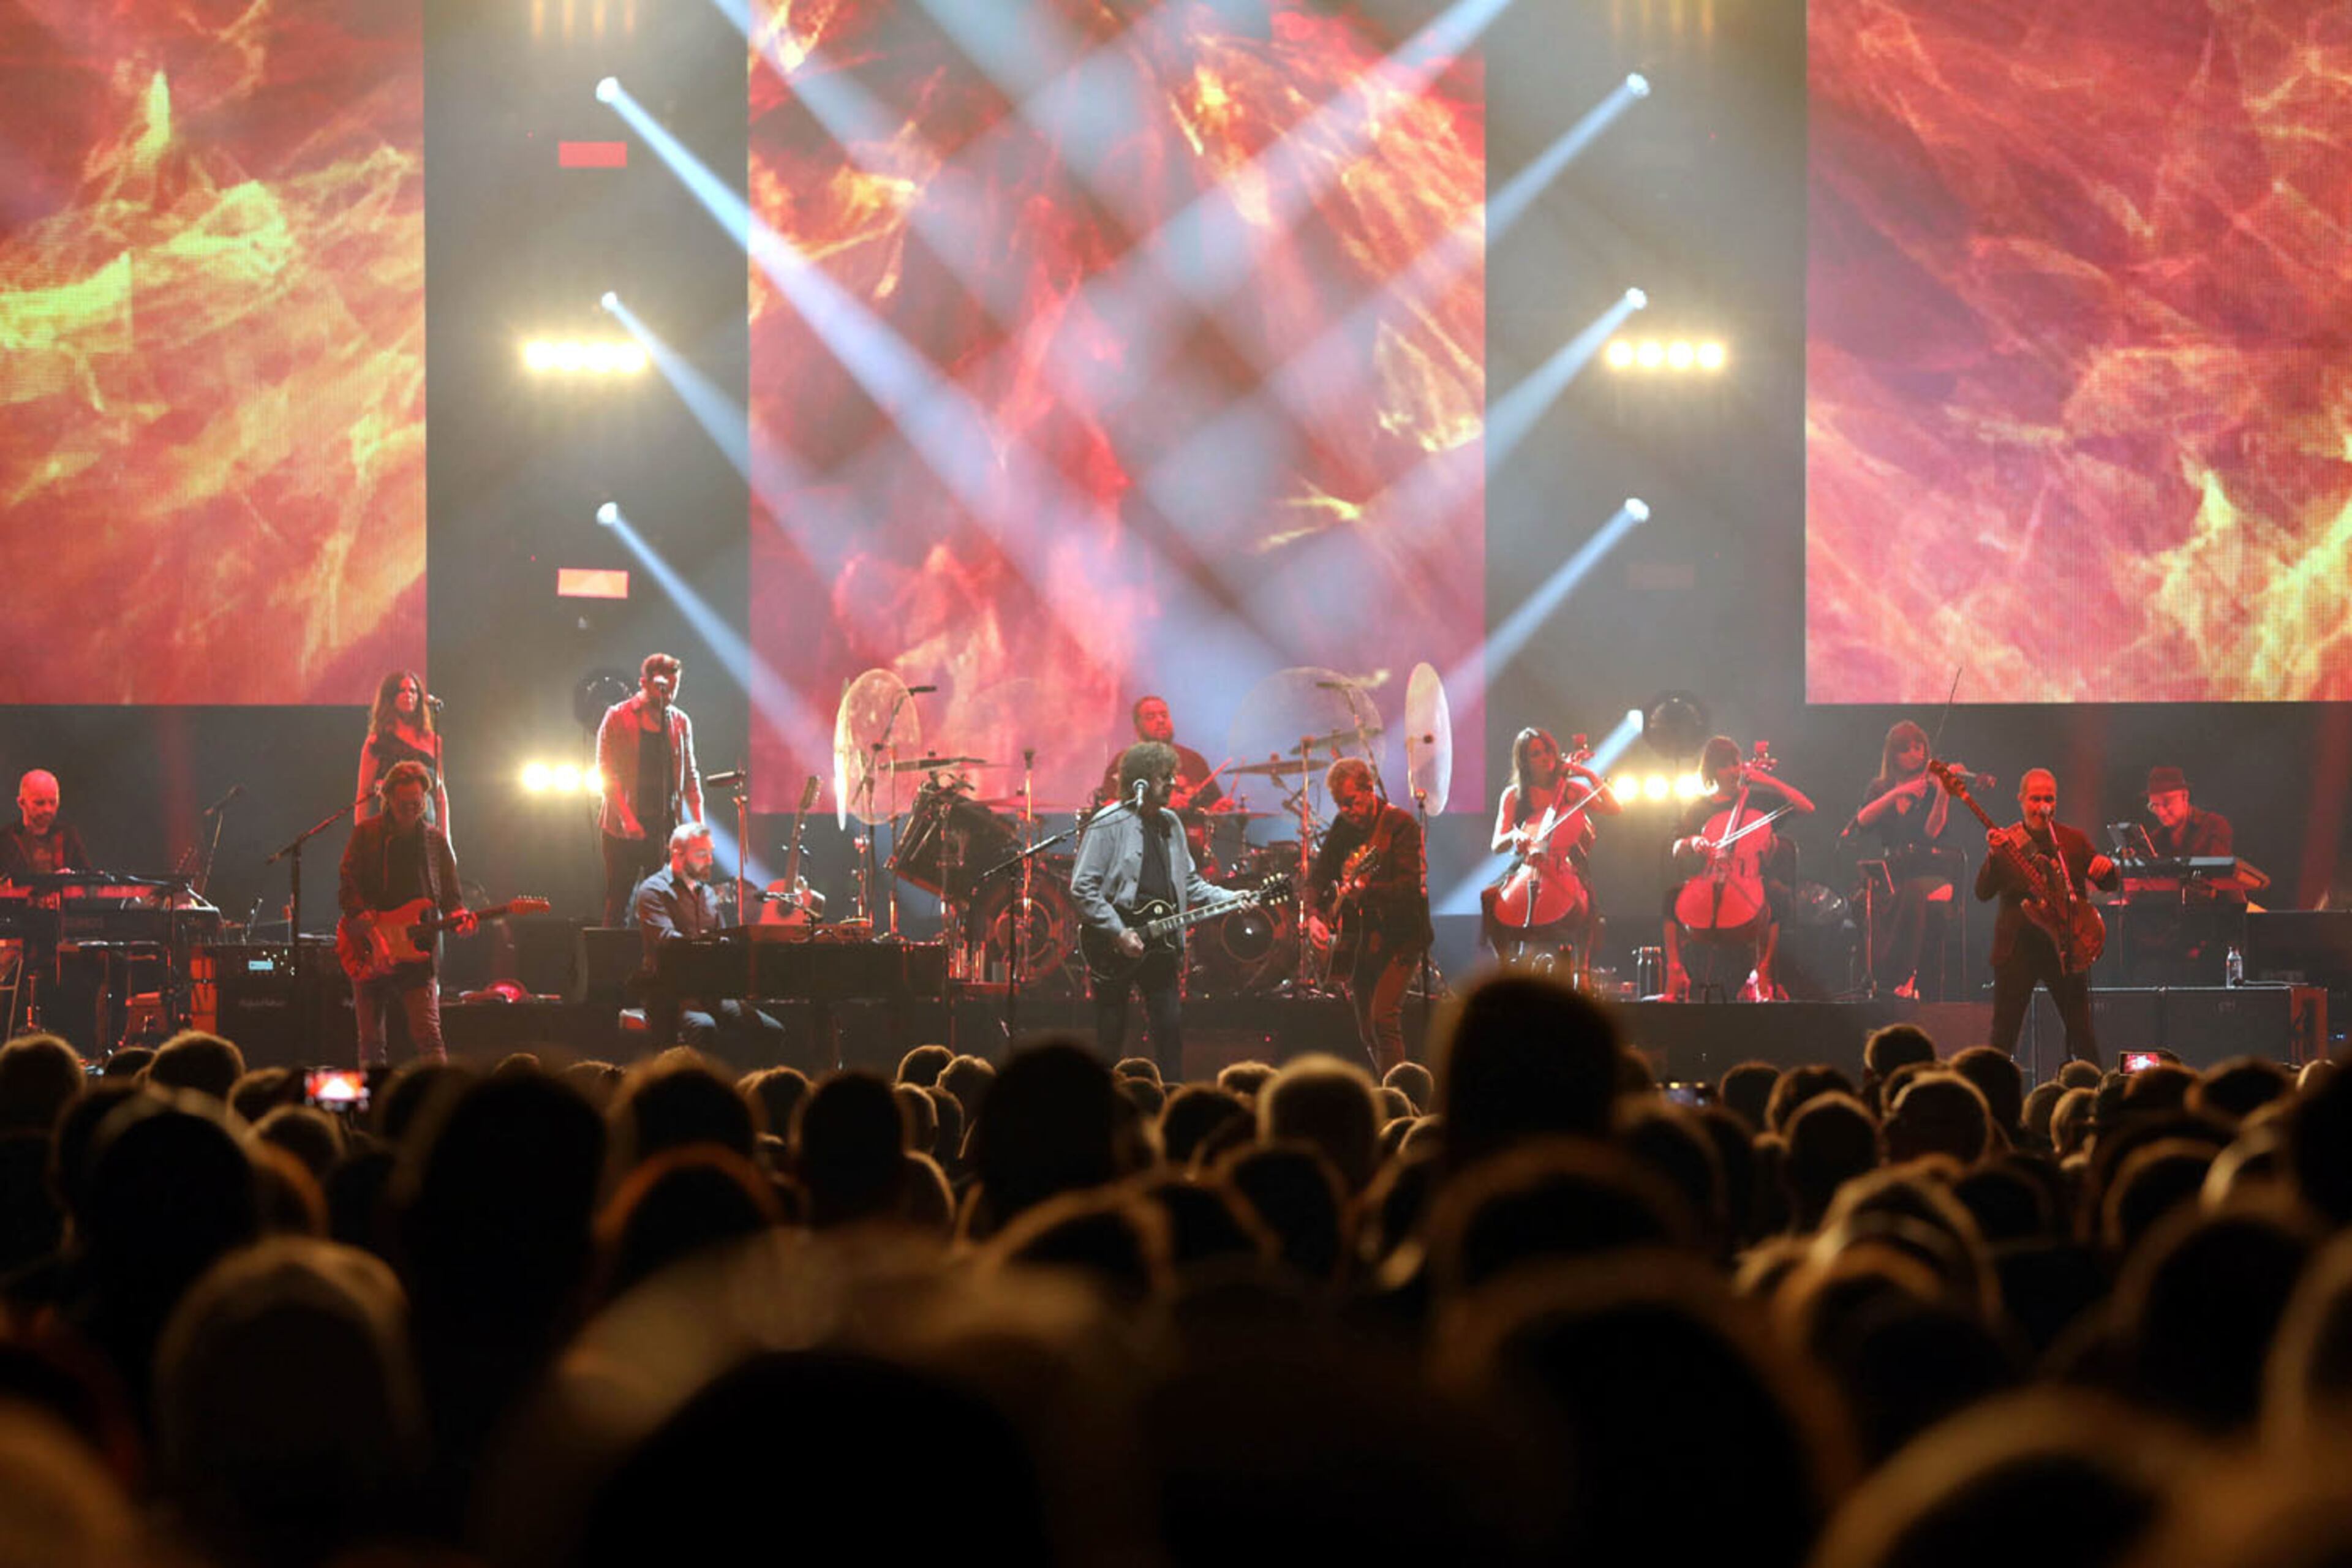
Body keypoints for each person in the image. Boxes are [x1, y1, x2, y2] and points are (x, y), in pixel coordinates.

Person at [1070, 742, 1229, 1081]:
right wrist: (1118, 931)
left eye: (1173, 776)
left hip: (1161, 947)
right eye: (1165, 777)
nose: (1173, 783)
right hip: (1115, 946)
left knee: (1170, 1038)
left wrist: (1235, 897)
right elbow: (1082, 886)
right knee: (1110, 1041)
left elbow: (1191, 886)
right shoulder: (1109, 821)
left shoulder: (1171, 824)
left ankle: (1171, 1110)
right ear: (1140, 781)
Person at [1978, 769, 2120, 1065]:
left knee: (2082, 1033)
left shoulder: (2072, 840)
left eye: (2049, 798)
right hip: (2017, 947)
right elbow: (1982, 892)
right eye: (2035, 798)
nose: (2043, 805)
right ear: (2021, 800)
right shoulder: (2007, 841)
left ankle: (2091, 1095)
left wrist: (2107, 866)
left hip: (2065, 948)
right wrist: (1993, 856)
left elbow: (2108, 882)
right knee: (2004, 1033)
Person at [337, 761, 474, 1067]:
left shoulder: (435, 842)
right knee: (371, 1044)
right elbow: (348, 889)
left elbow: (452, 899)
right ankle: (372, 1110)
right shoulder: (365, 835)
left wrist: (461, 918)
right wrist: (373, 931)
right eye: (404, 804)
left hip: (418, 953)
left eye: (418, 802)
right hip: (371, 948)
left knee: (429, 1036)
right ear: (387, 800)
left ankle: (441, 1106)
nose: (413, 809)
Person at [1304, 758, 1433, 1074]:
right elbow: (1318, 878)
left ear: (1369, 789)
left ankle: (1397, 1103)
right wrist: (1315, 916)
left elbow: (1409, 888)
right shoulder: (1342, 827)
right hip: (1360, 940)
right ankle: (1388, 1088)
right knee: (1366, 1030)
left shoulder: (1400, 826)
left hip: (1401, 936)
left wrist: (1366, 892)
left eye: (1351, 802)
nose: (1347, 811)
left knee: (1383, 1019)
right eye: (1340, 805)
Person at [1664, 737, 1815, 1001]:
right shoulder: (1703, 807)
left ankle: (1763, 969)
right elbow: (1677, 847)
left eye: (1735, 763)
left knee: (1778, 899)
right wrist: (1694, 841)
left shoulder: (1757, 801)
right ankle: (1675, 970)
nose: (1733, 771)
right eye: (1724, 766)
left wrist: (1768, 781)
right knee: (1671, 898)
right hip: (1711, 878)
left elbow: (1806, 806)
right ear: (1712, 772)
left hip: (1750, 880)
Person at [633, 824, 785, 1053]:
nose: (710, 861)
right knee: (705, 1028)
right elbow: (666, 940)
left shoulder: (708, 894)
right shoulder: (653, 891)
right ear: (678, 854)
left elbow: (720, 939)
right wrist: (711, 945)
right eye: (702, 854)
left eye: (711, 853)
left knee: (771, 1031)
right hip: (672, 992)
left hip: (711, 992)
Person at [1480, 728, 1619, 970]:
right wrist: (1515, 835)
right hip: (1526, 865)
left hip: (1566, 865)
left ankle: (1582, 971)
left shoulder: (1570, 790)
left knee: (1588, 904)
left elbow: (1614, 807)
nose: (1545, 757)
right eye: (1536, 754)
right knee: (1489, 897)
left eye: (1547, 751)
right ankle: (1505, 966)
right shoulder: (1514, 795)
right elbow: (1497, 844)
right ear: (1524, 762)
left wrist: (1585, 773)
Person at [1852, 720, 1962, 998]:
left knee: (1912, 894)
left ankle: (1907, 977)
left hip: (1931, 867)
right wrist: (1899, 792)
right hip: (1895, 869)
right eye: (1907, 749)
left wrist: (1943, 794)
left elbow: (1932, 832)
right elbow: (1863, 821)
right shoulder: (1881, 787)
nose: (1917, 754)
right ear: (1893, 756)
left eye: (1920, 747)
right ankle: (1878, 977)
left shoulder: (1931, 788)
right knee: (1863, 900)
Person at [596, 654, 704, 927]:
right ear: (644, 683)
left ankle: (658, 964)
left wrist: (699, 827)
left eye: (674, 687)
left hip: (665, 826)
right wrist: (627, 818)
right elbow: (607, 774)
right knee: (618, 899)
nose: (669, 694)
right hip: (622, 827)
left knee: (665, 901)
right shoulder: (617, 717)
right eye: (662, 686)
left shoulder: (680, 722)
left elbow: (691, 777)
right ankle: (614, 963)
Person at [355, 670, 451, 847]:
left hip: (425, 827)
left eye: (413, 691)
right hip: (389, 830)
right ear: (391, 697)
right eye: (402, 691)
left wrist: (447, 841)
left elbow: (440, 795)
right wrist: (360, 840)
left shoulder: (433, 741)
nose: (409, 695)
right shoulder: (377, 742)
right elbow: (363, 794)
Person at [0, 770, 88, 886]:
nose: (48, 809)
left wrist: (72, 876)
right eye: (40, 803)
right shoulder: (5, 840)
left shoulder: (68, 836)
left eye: (53, 802)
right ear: (22, 803)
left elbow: (88, 877)